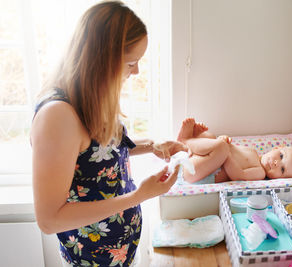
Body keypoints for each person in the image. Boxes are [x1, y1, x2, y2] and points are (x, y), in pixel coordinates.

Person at [30, 2, 186, 266]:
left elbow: (98, 151)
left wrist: (152, 145)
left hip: (120, 254)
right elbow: (49, 219)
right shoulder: (57, 116)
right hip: (92, 260)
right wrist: (138, 197)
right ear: (102, 60)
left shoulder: (90, 95)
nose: (136, 71)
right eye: (131, 63)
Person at [176, 118, 292, 183]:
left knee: (221, 147)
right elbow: (231, 147)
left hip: (200, 174)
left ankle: (186, 140)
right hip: (200, 160)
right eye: (281, 156)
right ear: (276, 148)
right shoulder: (252, 151)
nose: (276, 163)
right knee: (211, 137)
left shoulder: (259, 172)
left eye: (282, 170)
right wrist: (224, 140)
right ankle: (189, 146)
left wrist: (225, 153)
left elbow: (238, 175)